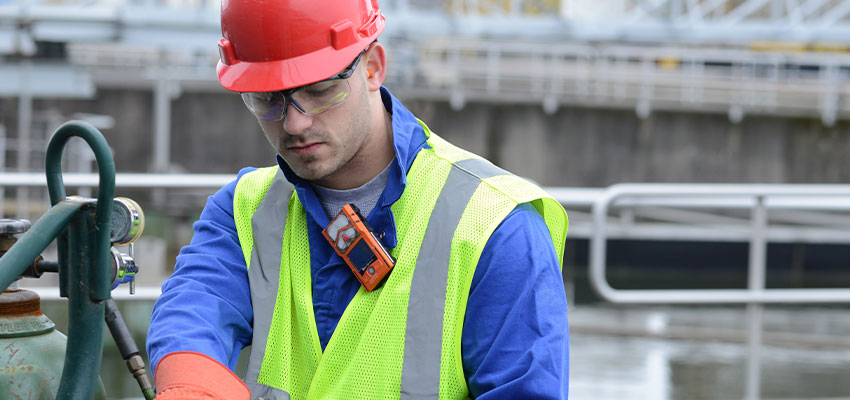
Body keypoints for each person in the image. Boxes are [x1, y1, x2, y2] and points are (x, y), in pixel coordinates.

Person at [146, 0, 570, 399]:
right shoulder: (242, 211)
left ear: (373, 68)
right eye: (268, 98)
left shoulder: (496, 226)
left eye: (319, 90)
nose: (295, 122)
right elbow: (191, 315)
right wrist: (191, 385)